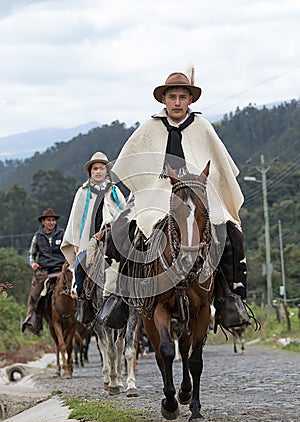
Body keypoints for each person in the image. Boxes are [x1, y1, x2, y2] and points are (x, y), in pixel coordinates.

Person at [110, 69, 251, 330]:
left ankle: (231, 298)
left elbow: (219, 167)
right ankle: (122, 295)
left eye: (182, 97)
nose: (177, 102)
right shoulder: (149, 128)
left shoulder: (202, 127)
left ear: (190, 100)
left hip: (198, 191)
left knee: (232, 234)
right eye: (172, 96)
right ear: (163, 99)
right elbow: (131, 162)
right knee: (124, 229)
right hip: (159, 190)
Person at [60, 151, 126, 322]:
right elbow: (76, 218)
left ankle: (131, 301)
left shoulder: (115, 191)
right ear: (90, 172)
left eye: (101, 168)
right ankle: (84, 301)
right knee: (80, 266)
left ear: (107, 171)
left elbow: (125, 213)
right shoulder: (83, 192)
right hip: (89, 241)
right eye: (95, 168)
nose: (98, 171)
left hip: (113, 240)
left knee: (129, 267)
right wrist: (75, 242)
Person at [22, 208, 65, 335]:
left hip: (60, 270)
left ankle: (84, 316)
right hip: (44, 272)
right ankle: (33, 321)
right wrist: (32, 263)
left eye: (53, 220)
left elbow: (68, 249)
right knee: (34, 296)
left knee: (76, 289)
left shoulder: (63, 234)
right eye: (48, 220)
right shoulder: (37, 236)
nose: (51, 223)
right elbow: (31, 254)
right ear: (43, 222)